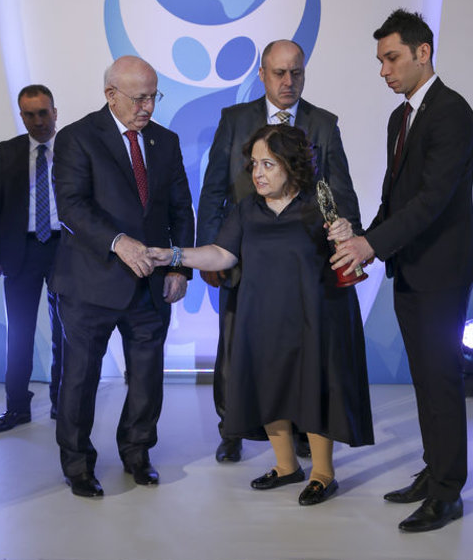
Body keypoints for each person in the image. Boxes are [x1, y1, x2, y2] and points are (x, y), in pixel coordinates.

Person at [152, 124, 374, 504]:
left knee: (314, 390)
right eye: (254, 164)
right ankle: (287, 466)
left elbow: (353, 251)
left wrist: (347, 232)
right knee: (270, 386)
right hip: (262, 316)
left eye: (267, 164)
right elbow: (221, 255)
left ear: (291, 165)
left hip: (314, 317)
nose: (257, 173)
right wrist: (173, 255)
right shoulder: (246, 210)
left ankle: (323, 473)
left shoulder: (318, 205)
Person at [332, 9, 473, 532]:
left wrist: (371, 244)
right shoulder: (401, 117)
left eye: (392, 58)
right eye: (380, 60)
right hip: (411, 267)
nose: (384, 70)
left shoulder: (452, 113)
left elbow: (432, 201)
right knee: (424, 380)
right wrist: (363, 240)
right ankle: (433, 471)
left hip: (442, 271)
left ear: (423, 52)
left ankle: (447, 492)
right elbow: (396, 201)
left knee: (441, 381)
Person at [197, 39, 363, 463]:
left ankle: (304, 429)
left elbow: (340, 191)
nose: (289, 81)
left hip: (304, 260)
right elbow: (214, 187)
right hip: (244, 252)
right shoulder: (235, 120)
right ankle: (232, 427)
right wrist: (207, 249)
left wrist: (354, 243)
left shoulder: (323, 124)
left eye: (297, 72)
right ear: (262, 74)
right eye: (279, 73)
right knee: (236, 345)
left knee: (303, 349)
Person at [51, 56, 194, 497]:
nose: (147, 106)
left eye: (153, 96)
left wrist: (178, 266)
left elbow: (180, 208)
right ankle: (78, 464)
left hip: (150, 283)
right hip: (89, 283)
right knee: (81, 378)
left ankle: (137, 453)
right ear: (111, 95)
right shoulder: (77, 137)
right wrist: (118, 242)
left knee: (147, 377)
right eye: (139, 98)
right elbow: (72, 206)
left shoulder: (165, 141)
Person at [0, 84, 63, 432]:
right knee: (19, 334)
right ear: (22, 116)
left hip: (64, 250)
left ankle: (63, 403)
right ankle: (17, 407)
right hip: (21, 252)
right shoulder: (8, 151)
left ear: (55, 112)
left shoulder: (73, 149)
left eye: (43, 113)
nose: (38, 121)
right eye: (30, 115)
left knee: (66, 333)